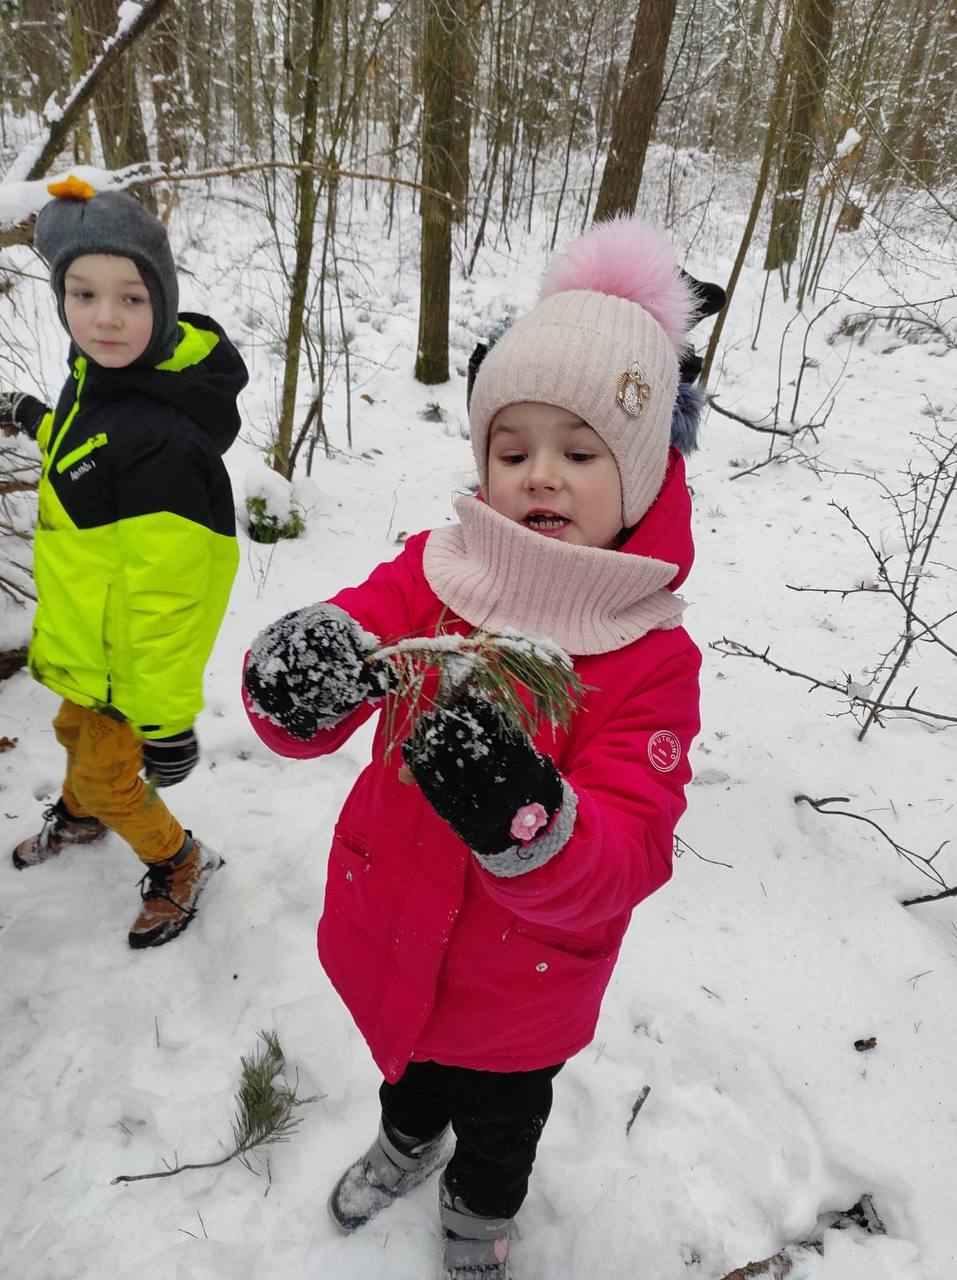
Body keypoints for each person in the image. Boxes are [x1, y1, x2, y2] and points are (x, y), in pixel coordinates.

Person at [242, 216, 715, 1279]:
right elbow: (349, 647)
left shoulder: (649, 658)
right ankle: (410, 1140)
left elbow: (633, 846)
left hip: (523, 985)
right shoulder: (437, 569)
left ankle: (478, 1208)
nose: (541, 474)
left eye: (579, 451)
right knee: (406, 1073)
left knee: (500, 1122)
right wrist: (298, 678)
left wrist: (534, 827)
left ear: (639, 472)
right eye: (514, 449)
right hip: (392, 925)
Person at [3, 177, 248, 949]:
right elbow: (86, 452)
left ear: (163, 302)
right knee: (74, 740)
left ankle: (178, 860)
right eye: (82, 294)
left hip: (127, 664)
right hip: (87, 642)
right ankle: (80, 816)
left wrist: (166, 721)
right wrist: (35, 418)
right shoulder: (99, 377)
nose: (104, 318)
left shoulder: (165, 448)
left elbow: (167, 601)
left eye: (131, 298)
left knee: (113, 772)